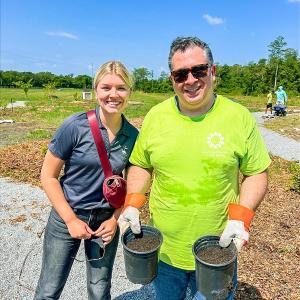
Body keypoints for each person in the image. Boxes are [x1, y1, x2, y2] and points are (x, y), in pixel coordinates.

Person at [118, 37, 271, 300]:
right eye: (180, 74)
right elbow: (142, 164)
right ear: (172, 80)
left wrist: (241, 217)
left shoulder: (238, 117)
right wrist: (132, 203)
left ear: (212, 71)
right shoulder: (156, 116)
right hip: (164, 250)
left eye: (198, 70)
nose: (190, 80)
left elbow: (256, 172)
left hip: (219, 248)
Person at [34, 61, 138, 300]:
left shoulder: (132, 136)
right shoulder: (74, 126)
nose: (113, 94)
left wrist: (115, 219)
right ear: (96, 90)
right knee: (49, 289)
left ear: (129, 92)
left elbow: (129, 186)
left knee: (100, 288)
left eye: (121, 88)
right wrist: (70, 219)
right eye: (106, 88)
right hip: (66, 218)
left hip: (105, 222)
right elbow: (48, 176)